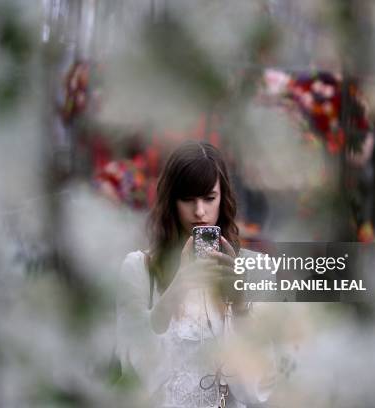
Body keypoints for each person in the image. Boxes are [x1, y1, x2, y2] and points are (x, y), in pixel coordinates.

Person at [116, 141, 271, 407]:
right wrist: (178, 287)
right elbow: (134, 375)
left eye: (209, 198)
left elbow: (258, 392)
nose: (200, 211)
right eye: (188, 199)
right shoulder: (139, 269)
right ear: (170, 202)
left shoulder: (254, 268)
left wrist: (241, 305)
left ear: (223, 199)